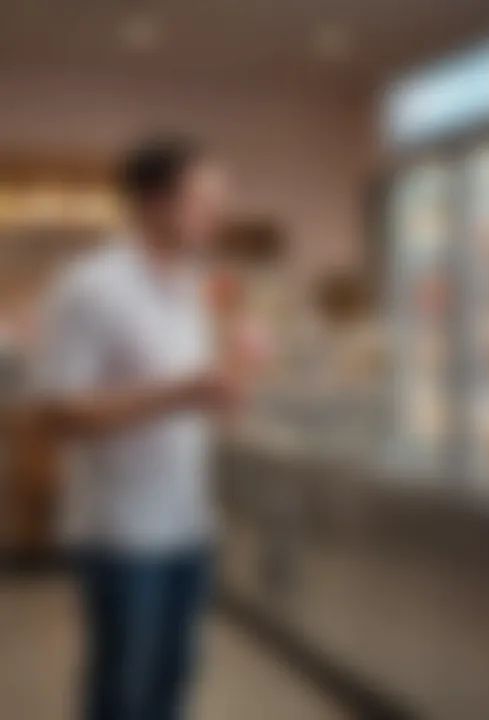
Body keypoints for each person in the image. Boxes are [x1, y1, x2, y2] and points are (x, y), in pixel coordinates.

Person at [36, 136, 240, 720]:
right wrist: (181, 394)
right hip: (122, 534)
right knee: (123, 693)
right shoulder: (92, 285)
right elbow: (58, 414)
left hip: (189, 523)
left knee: (173, 686)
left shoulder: (188, 285)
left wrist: (213, 395)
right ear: (155, 201)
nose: (217, 212)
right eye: (205, 198)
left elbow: (179, 395)